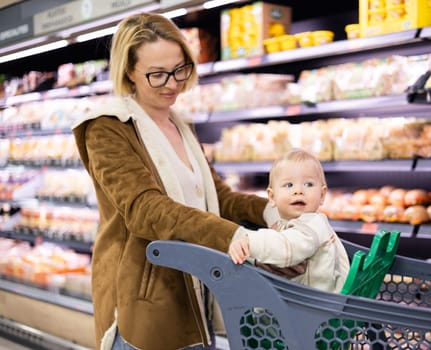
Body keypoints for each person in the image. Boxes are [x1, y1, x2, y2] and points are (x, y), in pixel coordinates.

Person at [72, 12, 301, 350]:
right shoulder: (109, 127)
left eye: (180, 69)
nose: (172, 84)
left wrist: (273, 211)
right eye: (157, 75)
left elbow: (218, 197)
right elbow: (145, 209)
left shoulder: (179, 124)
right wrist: (234, 235)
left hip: (196, 291)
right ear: (128, 71)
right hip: (144, 304)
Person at [229, 148, 350, 293]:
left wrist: (250, 242)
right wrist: (251, 258)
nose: (298, 191)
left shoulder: (313, 224)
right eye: (289, 185)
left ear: (322, 195)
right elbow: (275, 258)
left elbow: (286, 247)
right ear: (272, 197)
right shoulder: (284, 224)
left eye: (308, 184)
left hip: (315, 310)